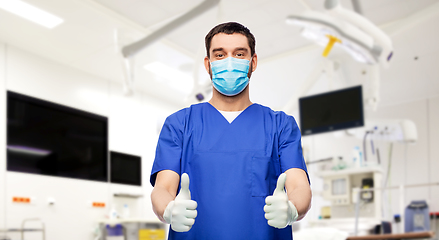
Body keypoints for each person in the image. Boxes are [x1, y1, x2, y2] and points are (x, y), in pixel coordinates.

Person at [150, 22, 311, 240]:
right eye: (220, 55)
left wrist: (293, 209)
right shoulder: (180, 124)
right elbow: (163, 188)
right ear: (207, 64)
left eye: (239, 54)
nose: (229, 62)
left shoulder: (280, 125)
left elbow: (299, 186)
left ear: (252, 62)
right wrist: (168, 210)